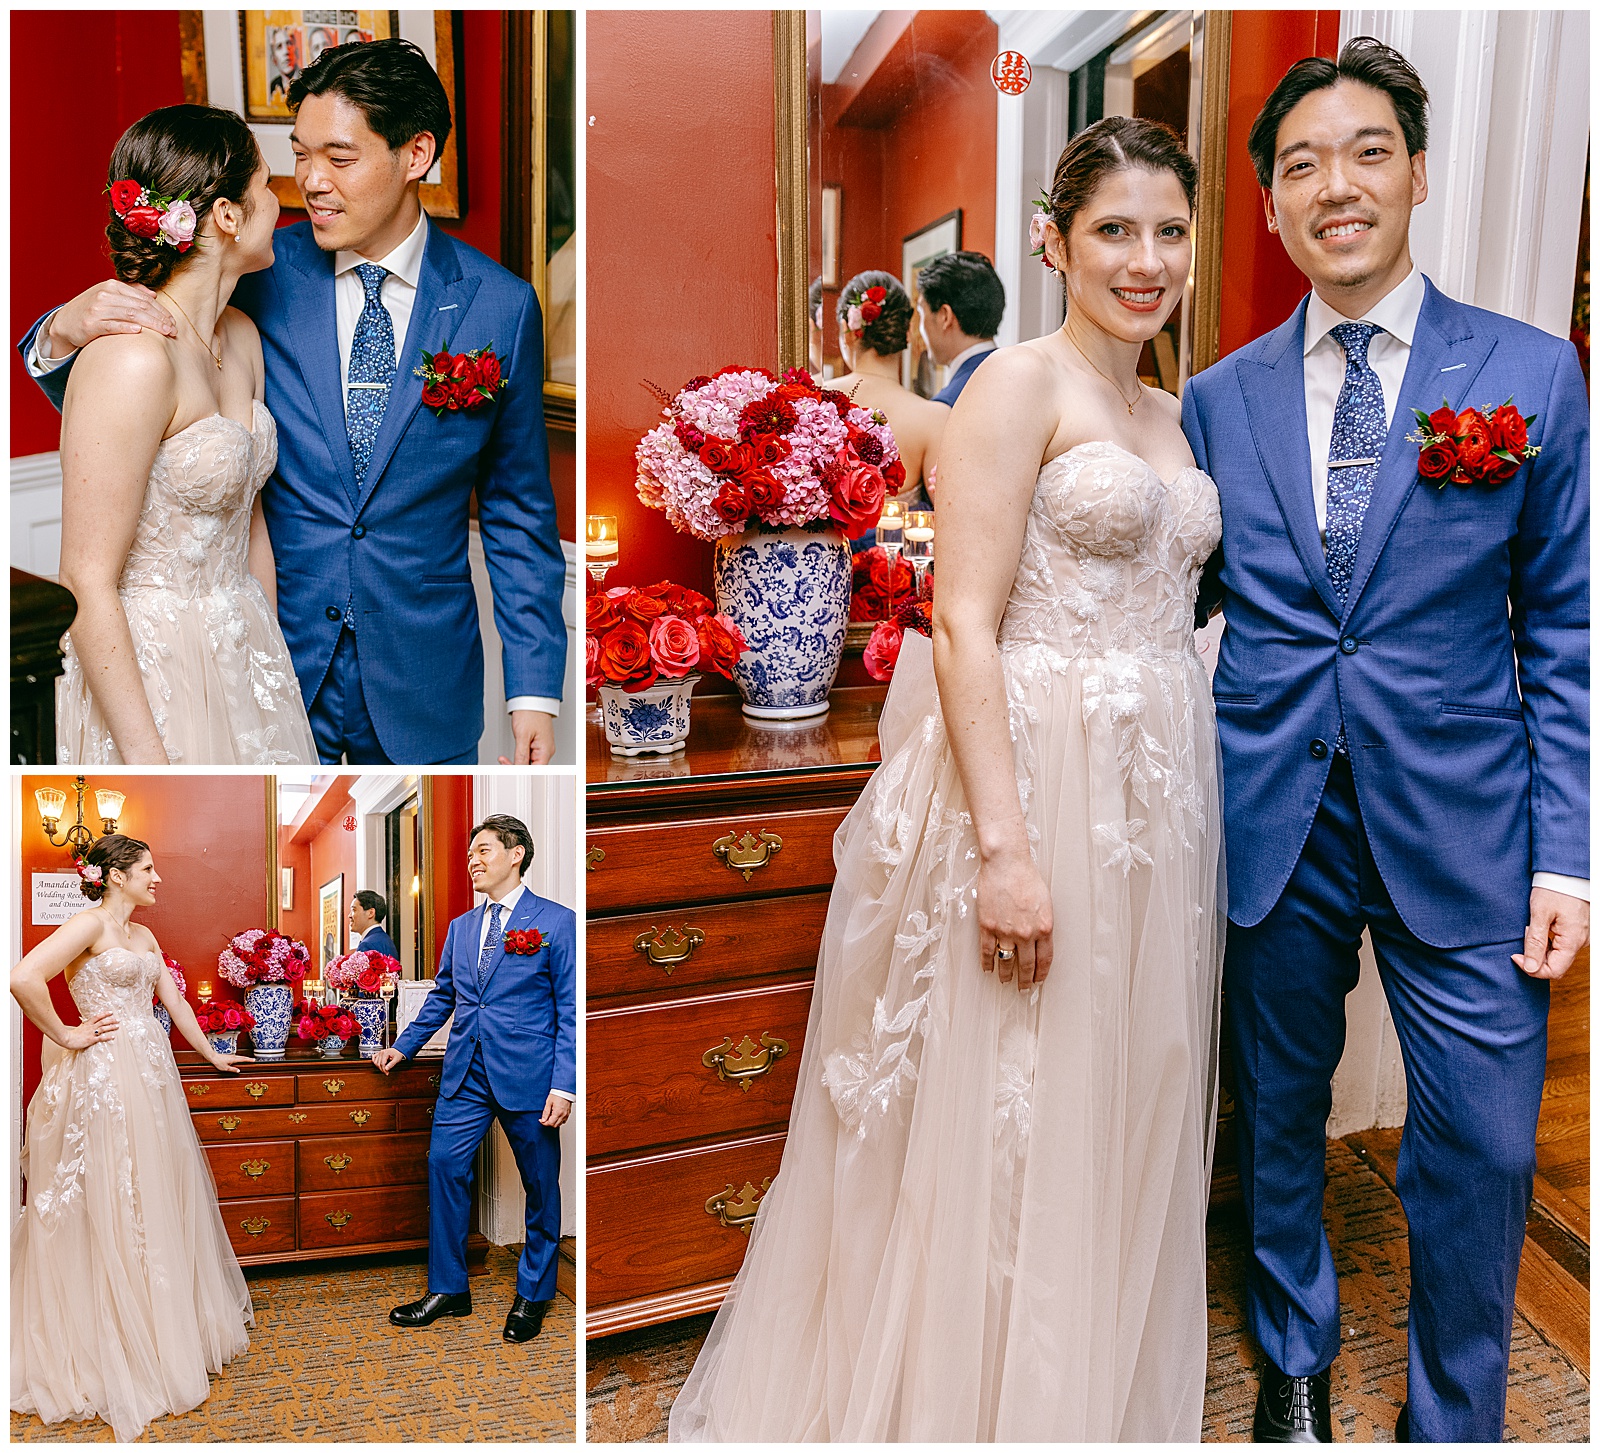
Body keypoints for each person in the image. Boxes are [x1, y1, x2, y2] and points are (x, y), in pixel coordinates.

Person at [670, 116, 1222, 1441]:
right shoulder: (1016, 387)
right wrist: (1006, 851)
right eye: (1113, 231)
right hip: (1036, 777)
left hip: (1154, 793)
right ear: (1053, 241)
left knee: (1119, 1092)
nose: (1145, 260)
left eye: (1170, 230)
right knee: (1011, 1114)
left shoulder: (1170, 406)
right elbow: (964, 621)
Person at [1183, 38, 1589, 1444]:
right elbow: (1179, 602)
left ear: (1418, 174)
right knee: (1277, 1109)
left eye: (1365, 153)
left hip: (1472, 822)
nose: (1333, 185)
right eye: (1300, 165)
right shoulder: (1218, 398)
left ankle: (1455, 1411)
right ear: (1274, 207)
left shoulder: (1533, 376)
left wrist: (1572, 856)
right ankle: (1291, 1356)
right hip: (1269, 811)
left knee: (1478, 1140)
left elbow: (1572, 633)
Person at [22, 39, 567, 766]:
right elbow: (129, 390)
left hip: (423, 680)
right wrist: (59, 328)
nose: (309, 181)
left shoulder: (501, 307)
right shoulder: (257, 270)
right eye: (300, 153)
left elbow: (517, 506)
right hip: (271, 663)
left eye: (338, 159)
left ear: (415, 155)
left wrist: (534, 691)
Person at [41, 106, 318, 766]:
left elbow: (248, 524)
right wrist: (150, 762)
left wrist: (269, 670)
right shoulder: (132, 359)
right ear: (227, 214)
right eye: (265, 186)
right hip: (151, 661)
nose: (279, 201)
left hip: (243, 649)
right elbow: (85, 577)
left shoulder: (242, 341)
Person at [11, 834, 256, 1440]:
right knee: (110, 1192)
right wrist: (68, 1033)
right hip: (105, 1078)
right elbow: (23, 978)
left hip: (152, 1078)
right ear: (116, 875)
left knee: (153, 1193)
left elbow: (172, 1002)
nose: (158, 879)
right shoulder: (87, 925)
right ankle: (107, 1341)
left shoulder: (144, 937)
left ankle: (158, 1325)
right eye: (148, 869)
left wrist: (213, 1054)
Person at [374, 814, 576, 1343]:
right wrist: (403, 1045)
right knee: (443, 1165)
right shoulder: (462, 927)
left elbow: (570, 1008)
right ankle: (449, 1289)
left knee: (540, 1186)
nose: (473, 861)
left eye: (483, 850)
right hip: (465, 1071)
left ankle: (534, 1294)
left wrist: (564, 1084)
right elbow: (445, 995)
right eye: (470, 854)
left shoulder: (556, 922)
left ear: (516, 854)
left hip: (530, 1076)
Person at [830, 270, 949, 512]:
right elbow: (948, 514)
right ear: (906, 333)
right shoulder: (934, 417)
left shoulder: (815, 396)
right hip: (897, 549)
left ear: (848, 329)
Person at [915, 250, 1003, 406]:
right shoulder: (1021, 379)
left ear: (944, 316)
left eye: (922, 313)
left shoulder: (948, 406)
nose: (919, 329)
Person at [348, 888, 399, 958]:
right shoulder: (384, 939)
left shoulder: (367, 945)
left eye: (354, 910)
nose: (349, 916)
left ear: (371, 913)